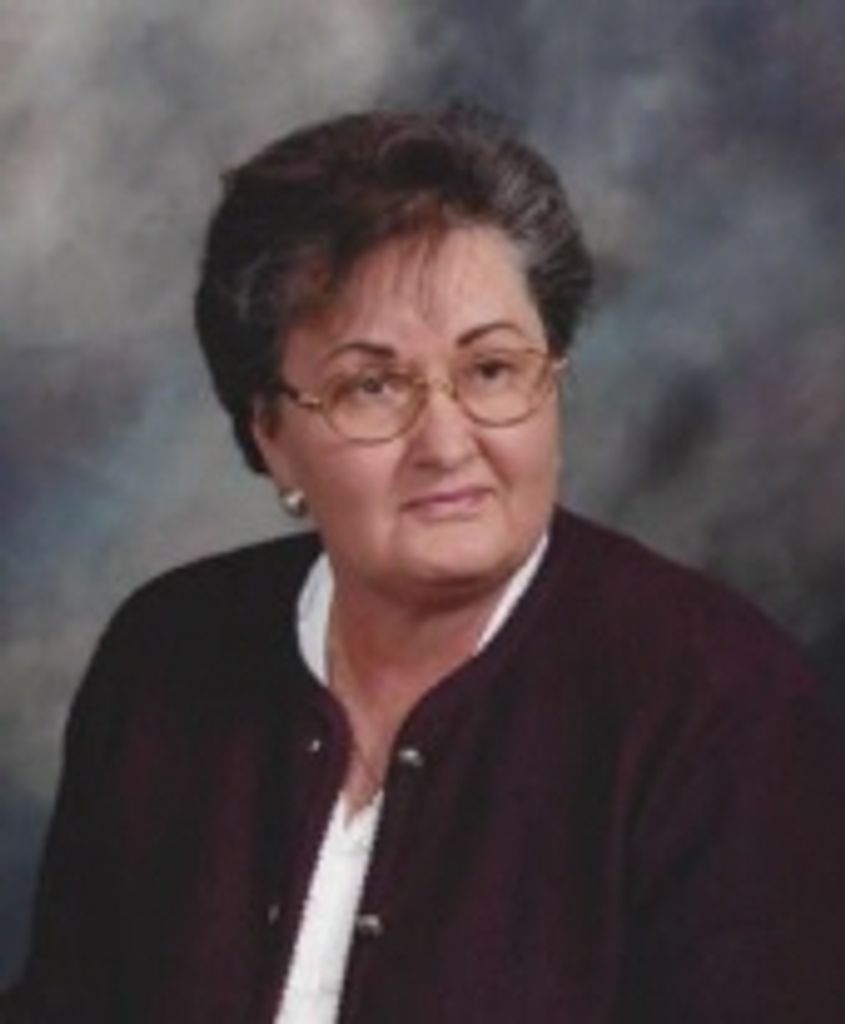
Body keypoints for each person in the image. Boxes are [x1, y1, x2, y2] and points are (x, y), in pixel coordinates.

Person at [10, 105, 845, 1023]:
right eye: (372, 385)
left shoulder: (717, 699)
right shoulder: (168, 651)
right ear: (272, 435)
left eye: (490, 370)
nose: (446, 444)